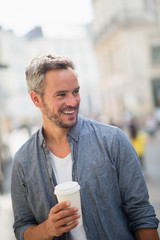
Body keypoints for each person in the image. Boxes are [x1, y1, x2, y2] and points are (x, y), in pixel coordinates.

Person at [11, 54, 159, 240]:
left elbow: (142, 215)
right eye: (61, 94)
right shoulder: (23, 161)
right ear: (36, 99)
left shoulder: (113, 140)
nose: (73, 102)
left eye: (76, 91)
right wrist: (47, 229)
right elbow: (21, 228)